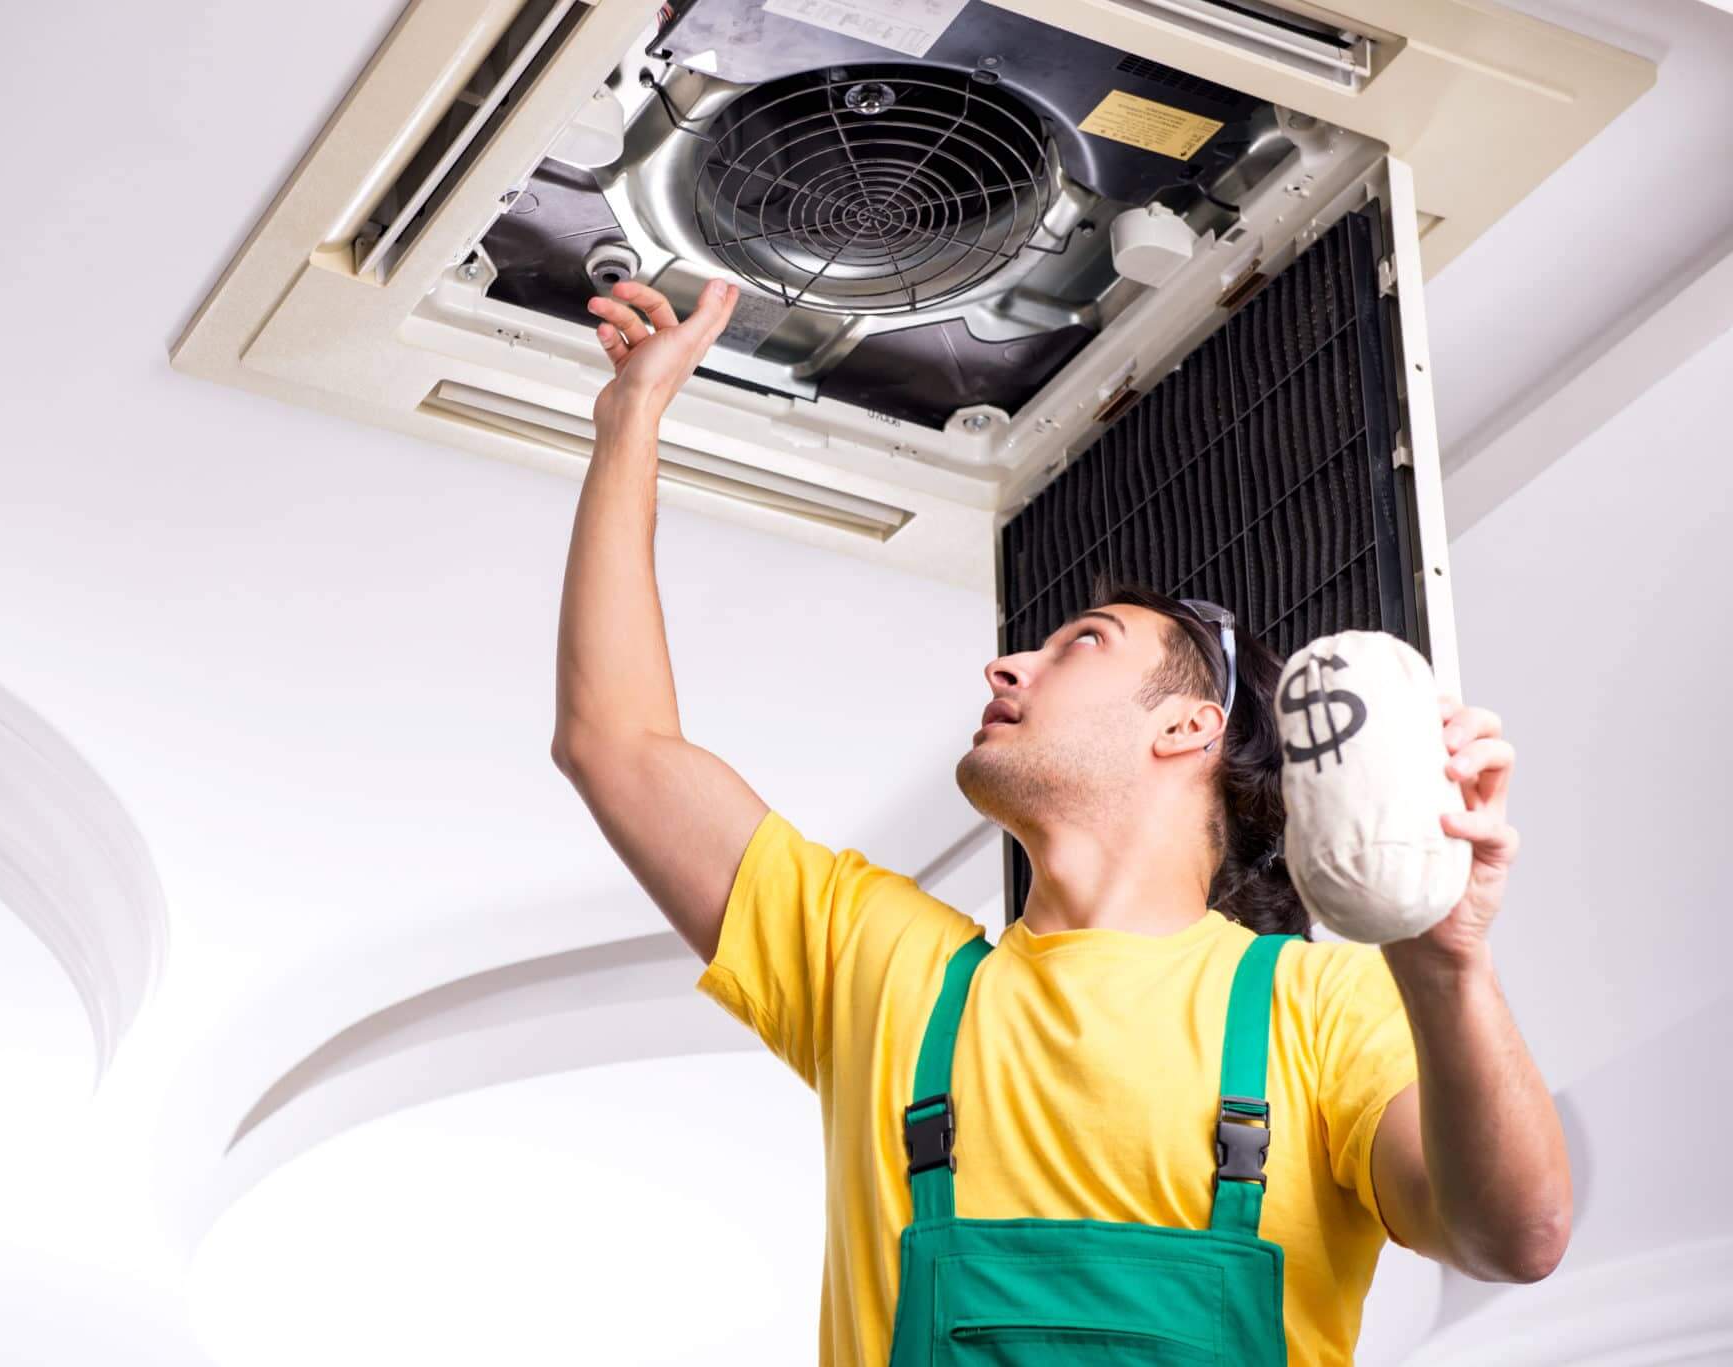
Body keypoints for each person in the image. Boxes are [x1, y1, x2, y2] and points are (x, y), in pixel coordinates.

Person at [551, 277, 1570, 1365]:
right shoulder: (878, 968)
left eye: (1078, 640)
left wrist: (1448, 964)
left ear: (1187, 725)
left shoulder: (1315, 1006)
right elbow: (614, 744)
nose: (1003, 662)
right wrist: (629, 420)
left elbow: (1511, 1235)